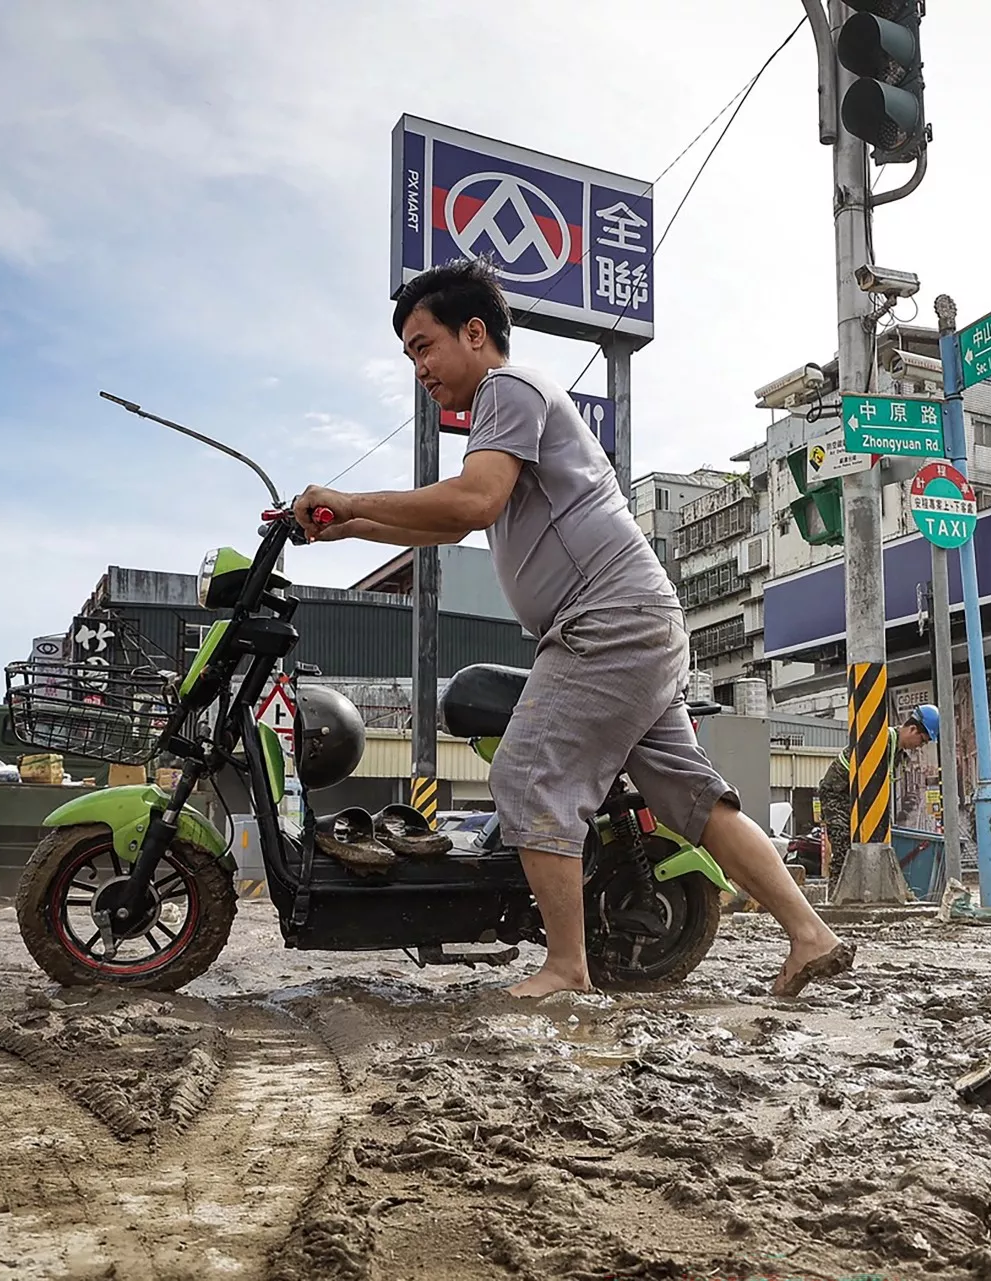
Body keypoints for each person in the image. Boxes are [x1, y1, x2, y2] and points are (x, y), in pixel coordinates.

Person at [293, 257, 853, 999]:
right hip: (638, 619)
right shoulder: (512, 406)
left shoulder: (508, 388)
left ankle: (565, 967)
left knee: (526, 774)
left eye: (424, 346)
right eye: (409, 355)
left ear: (474, 332)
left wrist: (346, 496)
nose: (418, 367)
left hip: (606, 619)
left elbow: (473, 502)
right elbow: (453, 516)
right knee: (693, 800)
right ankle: (811, 933)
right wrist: (347, 525)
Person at [818, 706, 938, 885]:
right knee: (844, 846)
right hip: (837, 795)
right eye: (922, 740)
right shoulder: (881, 739)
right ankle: (837, 896)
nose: (920, 746)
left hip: (855, 796)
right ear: (913, 729)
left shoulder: (896, 749)